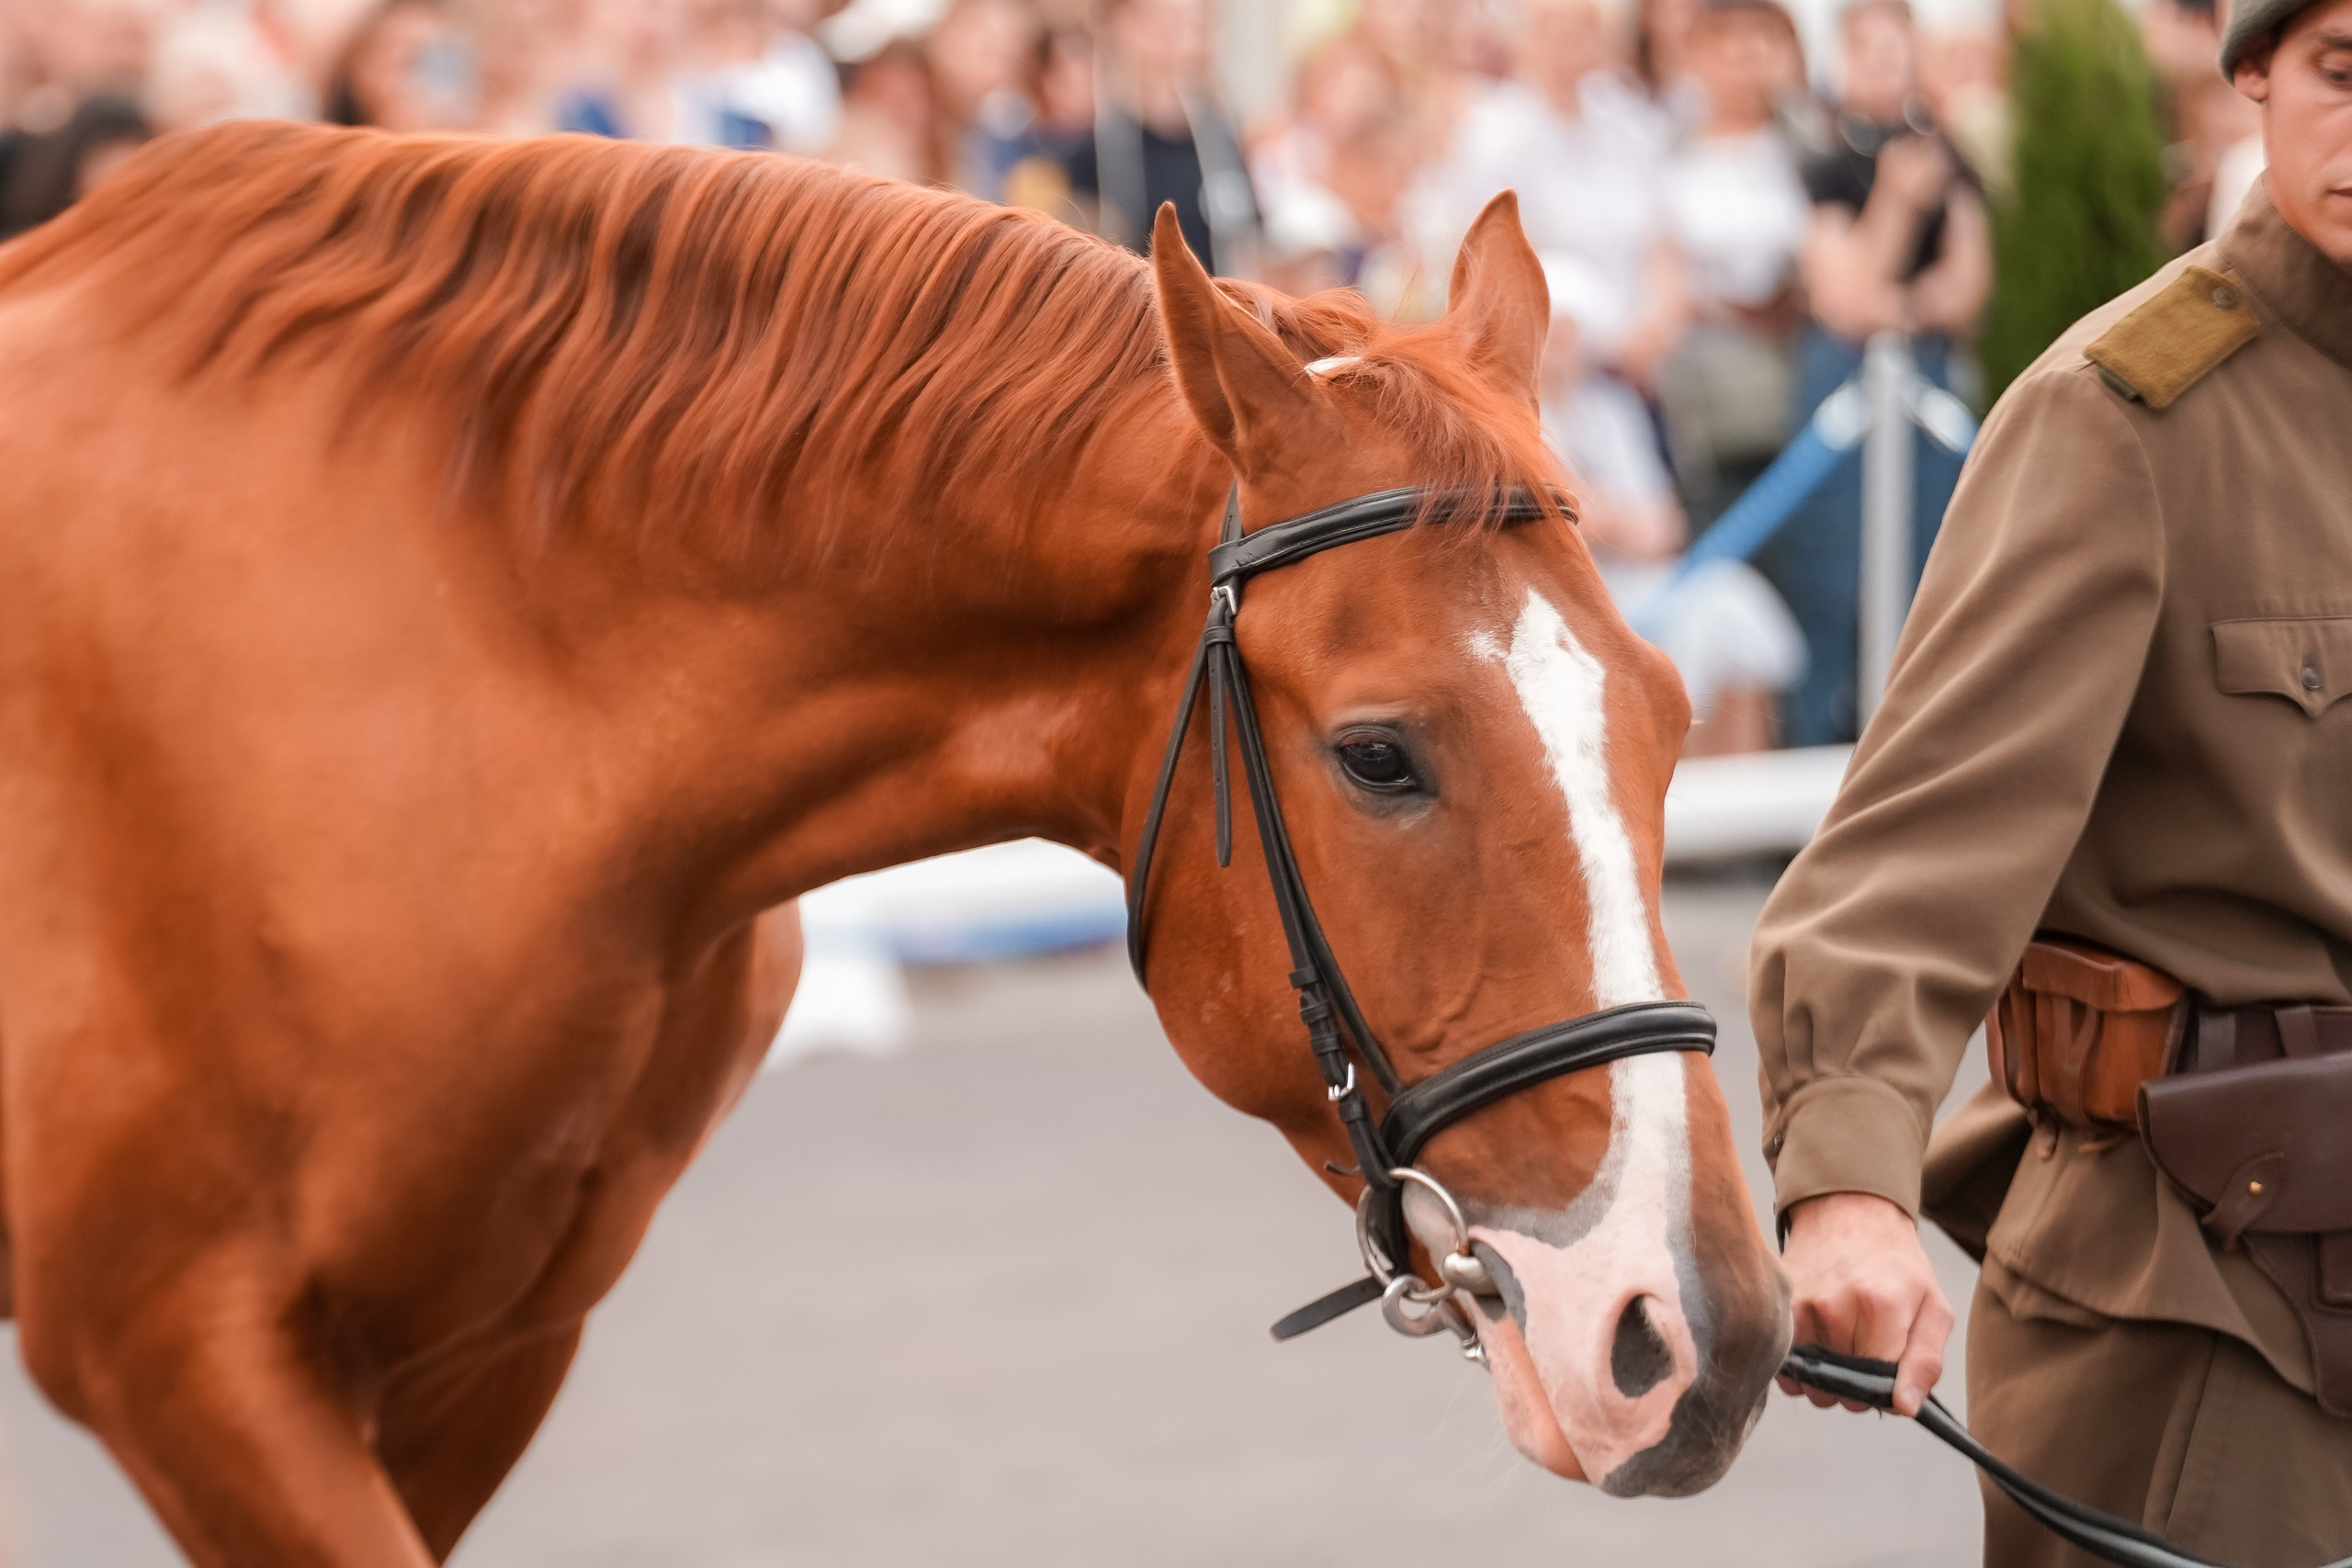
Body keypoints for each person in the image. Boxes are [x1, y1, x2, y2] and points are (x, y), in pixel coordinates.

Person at [1752, 0, 2352, 1559]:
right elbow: (1912, 850)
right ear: (2255, 79)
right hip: (2211, 1301)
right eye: (2346, 73)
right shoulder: (2132, 415)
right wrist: (1849, 1179)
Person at [1757, 0, 1989, 747]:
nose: (1885, 67)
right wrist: (1895, 198)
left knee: (1932, 577)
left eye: (1897, 52)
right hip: (1840, 385)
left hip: (1927, 381)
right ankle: (1813, 757)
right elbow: (1841, 298)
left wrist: (1901, 312)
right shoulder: (1826, 163)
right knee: (1831, 585)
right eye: (1870, 53)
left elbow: (1966, 285)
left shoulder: (1951, 156)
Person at [1657, 0, 1813, 525]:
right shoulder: (1666, 146)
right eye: (1727, 43)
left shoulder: (1808, 141)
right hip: (1701, 383)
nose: (1743, 60)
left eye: (1759, 43)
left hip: (1795, 370)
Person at [1057, 0, 1256, 269]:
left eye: (1192, 21)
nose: (1177, 36)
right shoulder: (1095, 151)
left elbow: (1251, 238)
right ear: (1117, 27)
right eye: (1157, 19)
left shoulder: (1221, 141)